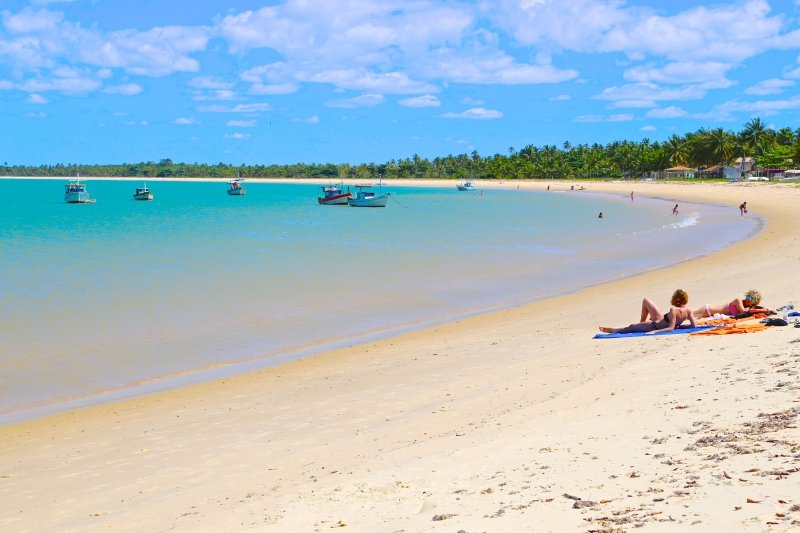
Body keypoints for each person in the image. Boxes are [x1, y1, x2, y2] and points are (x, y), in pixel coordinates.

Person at [599, 289, 695, 334]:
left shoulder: (673, 310)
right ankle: (641, 323)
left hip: (654, 325)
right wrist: (681, 325)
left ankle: (614, 330)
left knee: (631, 327)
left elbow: (670, 328)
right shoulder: (689, 310)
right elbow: (693, 326)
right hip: (661, 320)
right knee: (646, 300)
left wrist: (654, 332)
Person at [694, 289, 771, 318]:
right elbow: (743, 312)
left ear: (755, 302)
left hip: (709, 314)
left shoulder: (748, 307)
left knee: (688, 317)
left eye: (752, 298)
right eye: (748, 296)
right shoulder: (738, 301)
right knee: (687, 315)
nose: (748, 298)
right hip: (707, 309)